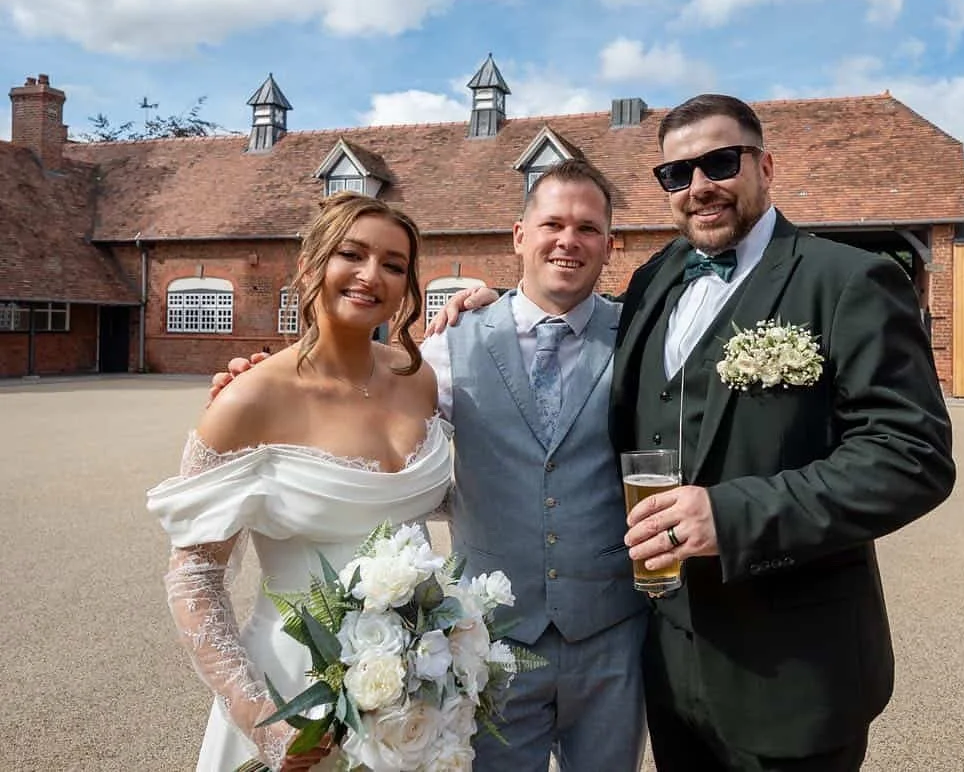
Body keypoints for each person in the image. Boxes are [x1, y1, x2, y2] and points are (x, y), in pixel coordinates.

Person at [434, 93, 956, 771]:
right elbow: (560, 308)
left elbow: (911, 458)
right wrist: (493, 299)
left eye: (720, 163)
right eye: (678, 174)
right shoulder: (657, 280)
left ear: (765, 164)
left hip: (792, 665)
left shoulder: (849, 280)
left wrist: (730, 514)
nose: (700, 187)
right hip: (667, 665)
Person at [209, 160, 649, 772]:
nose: (568, 240)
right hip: (490, 641)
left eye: (588, 227)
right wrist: (261, 383)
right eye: (551, 223)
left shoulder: (646, 337)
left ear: (609, 241)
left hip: (611, 636)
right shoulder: (441, 352)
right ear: (518, 235)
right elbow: (354, 394)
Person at [148, 192, 452, 771]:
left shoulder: (418, 380)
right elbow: (194, 576)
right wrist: (256, 714)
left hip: (414, 688)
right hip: (293, 687)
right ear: (310, 265)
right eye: (352, 255)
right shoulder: (249, 398)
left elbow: (420, 503)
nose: (371, 276)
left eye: (393, 264)